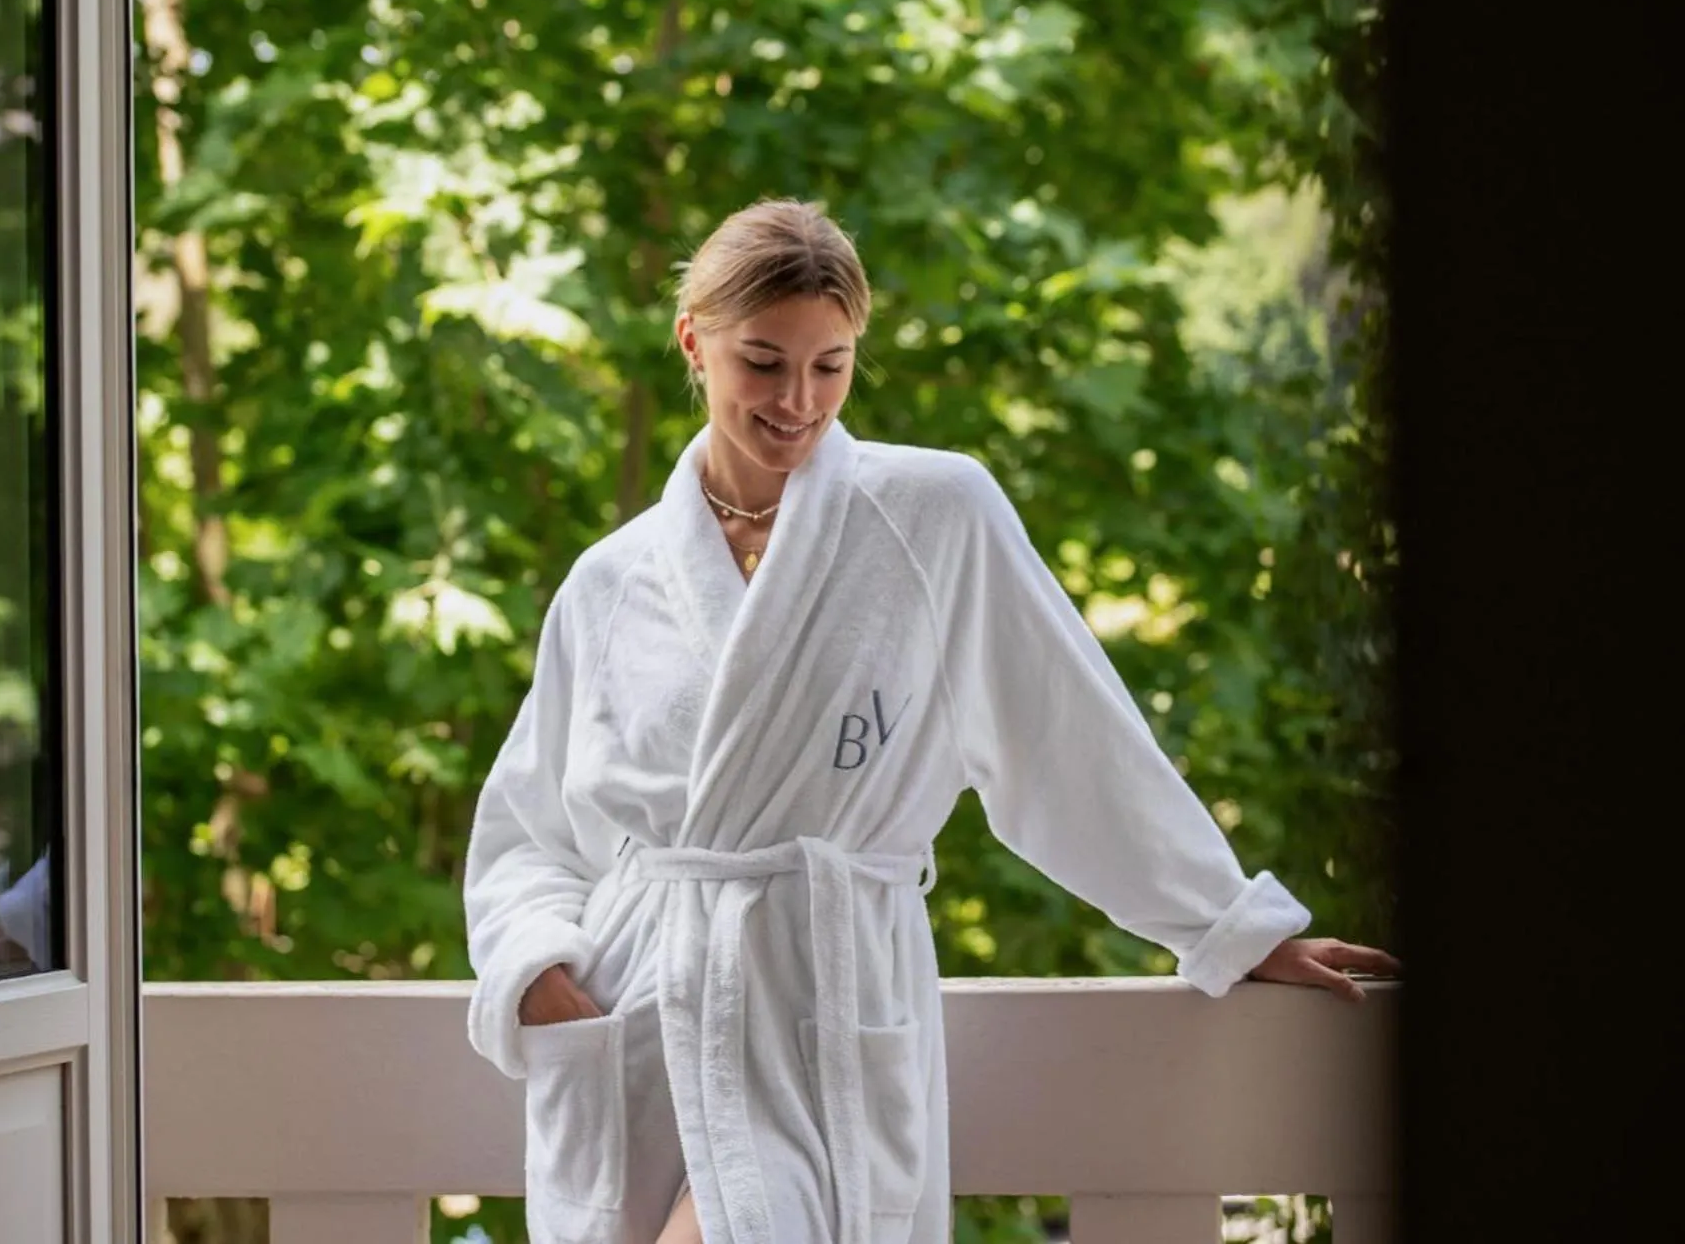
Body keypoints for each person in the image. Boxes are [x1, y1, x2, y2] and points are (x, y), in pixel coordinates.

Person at [462, 199, 1400, 1244]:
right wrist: (532, 968)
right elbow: (530, 829)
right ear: (692, 341)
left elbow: (1063, 740)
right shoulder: (610, 580)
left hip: (821, 996)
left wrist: (1225, 923)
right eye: (762, 362)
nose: (797, 400)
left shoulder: (932, 515)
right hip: (640, 1004)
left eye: (831, 364)